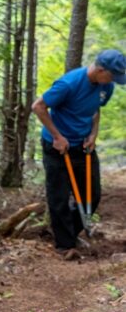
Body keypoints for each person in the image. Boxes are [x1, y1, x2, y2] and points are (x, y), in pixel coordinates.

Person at [31, 48, 126, 260]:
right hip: (57, 147)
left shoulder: (105, 86)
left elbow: (95, 110)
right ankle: (65, 246)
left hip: (84, 146)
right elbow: (38, 107)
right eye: (111, 76)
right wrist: (57, 136)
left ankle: (70, 233)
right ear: (100, 70)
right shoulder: (69, 84)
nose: (113, 81)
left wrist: (94, 133)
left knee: (92, 195)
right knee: (59, 196)